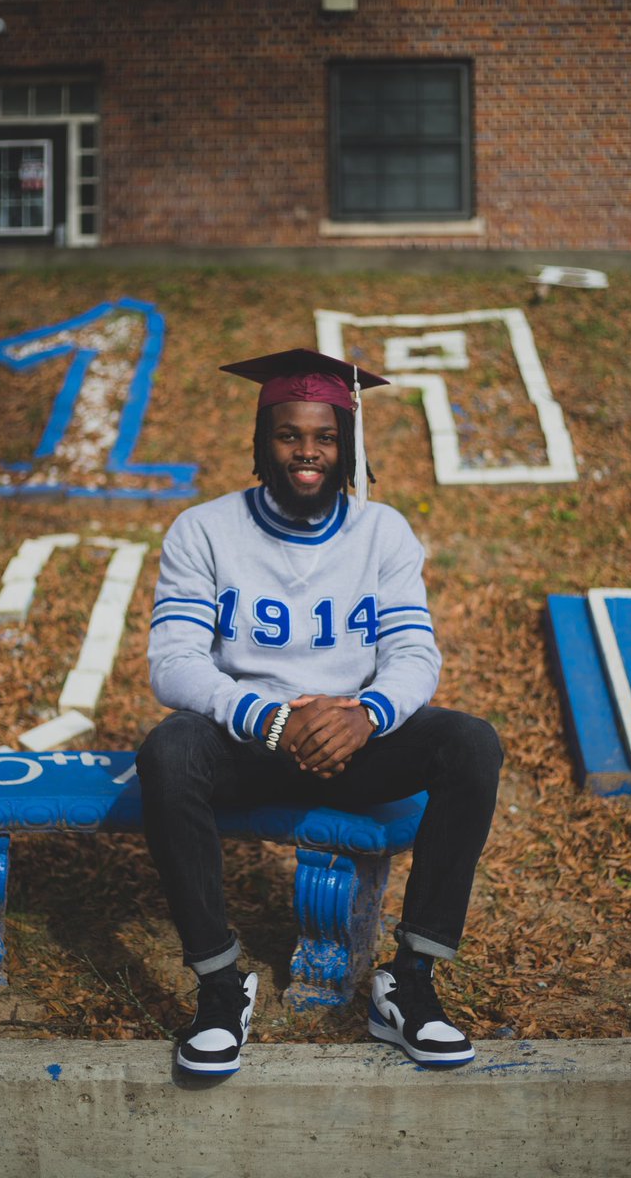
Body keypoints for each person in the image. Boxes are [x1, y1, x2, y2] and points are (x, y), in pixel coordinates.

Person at [137, 348, 501, 1076]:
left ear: (348, 446)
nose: (307, 450)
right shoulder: (203, 530)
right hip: (249, 744)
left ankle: (410, 983)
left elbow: (413, 656)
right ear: (259, 443)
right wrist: (270, 719)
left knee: (469, 743)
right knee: (168, 750)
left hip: (353, 744)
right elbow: (172, 662)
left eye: (325, 436)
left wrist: (365, 713)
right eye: (288, 434)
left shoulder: (383, 532)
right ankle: (217, 991)